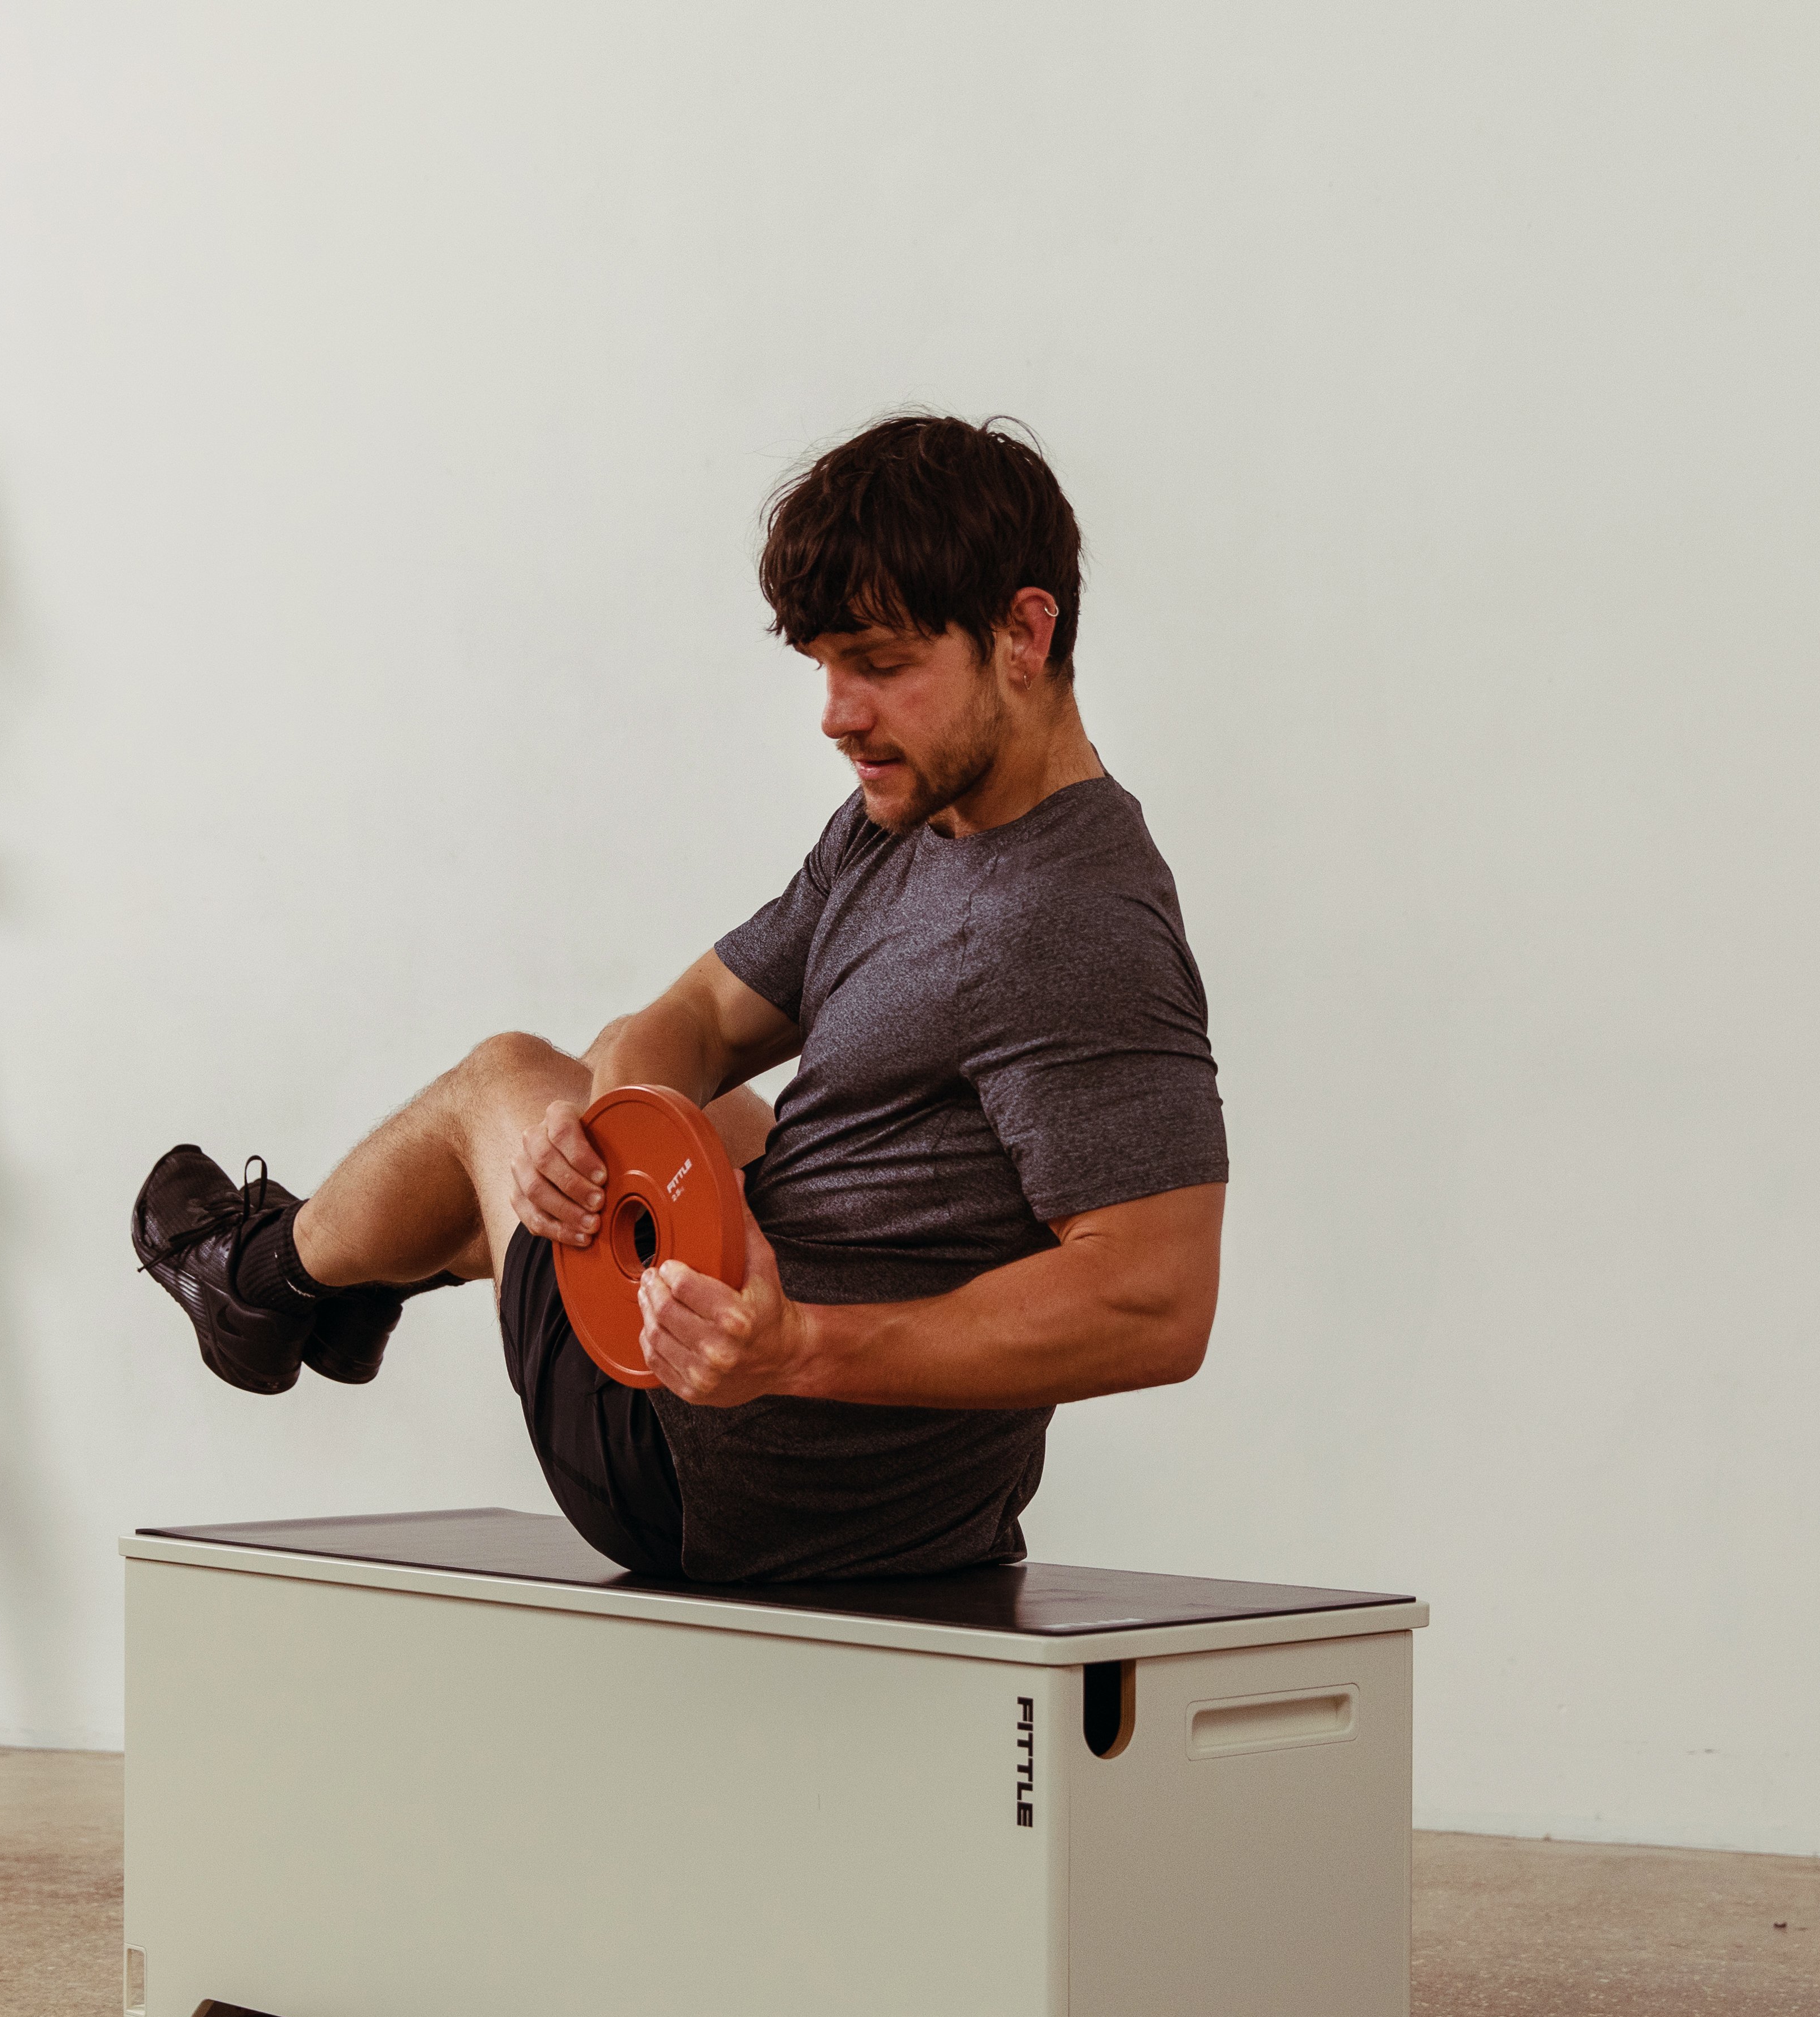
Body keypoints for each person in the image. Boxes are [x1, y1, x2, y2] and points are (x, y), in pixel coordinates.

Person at [134, 413, 1226, 1582]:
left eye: (883, 664)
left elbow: (1154, 1299)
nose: (836, 713)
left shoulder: (1074, 920)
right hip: (863, 1480)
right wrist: (626, 1156)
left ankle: (263, 1283)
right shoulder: (904, 821)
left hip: (722, 1469)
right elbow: (688, 1022)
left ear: (1024, 631)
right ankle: (349, 1294)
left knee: (507, 1078)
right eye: (824, 665)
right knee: (669, 1099)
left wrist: (801, 1346)